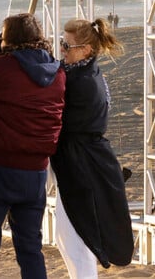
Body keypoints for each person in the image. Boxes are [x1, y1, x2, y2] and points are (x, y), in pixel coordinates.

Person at [0, 13, 66, 278]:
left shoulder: (3, 68)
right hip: (37, 172)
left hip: (0, 168)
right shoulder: (57, 70)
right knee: (30, 247)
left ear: (9, 40)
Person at [50, 18, 133, 276]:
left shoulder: (81, 81)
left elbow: (59, 120)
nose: (62, 50)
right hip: (83, 163)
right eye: (61, 43)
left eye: (67, 45)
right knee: (71, 236)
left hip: (81, 167)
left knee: (75, 238)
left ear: (86, 49)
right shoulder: (84, 72)